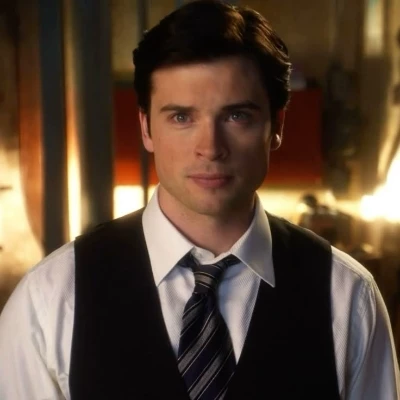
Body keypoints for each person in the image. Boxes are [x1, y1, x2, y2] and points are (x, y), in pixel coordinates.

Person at [0, 0, 399, 399]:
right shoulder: (51, 298)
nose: (210, 147)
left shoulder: (347, 296)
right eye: (181, 117)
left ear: (276, 125)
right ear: (146, 127)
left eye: (236, 116)